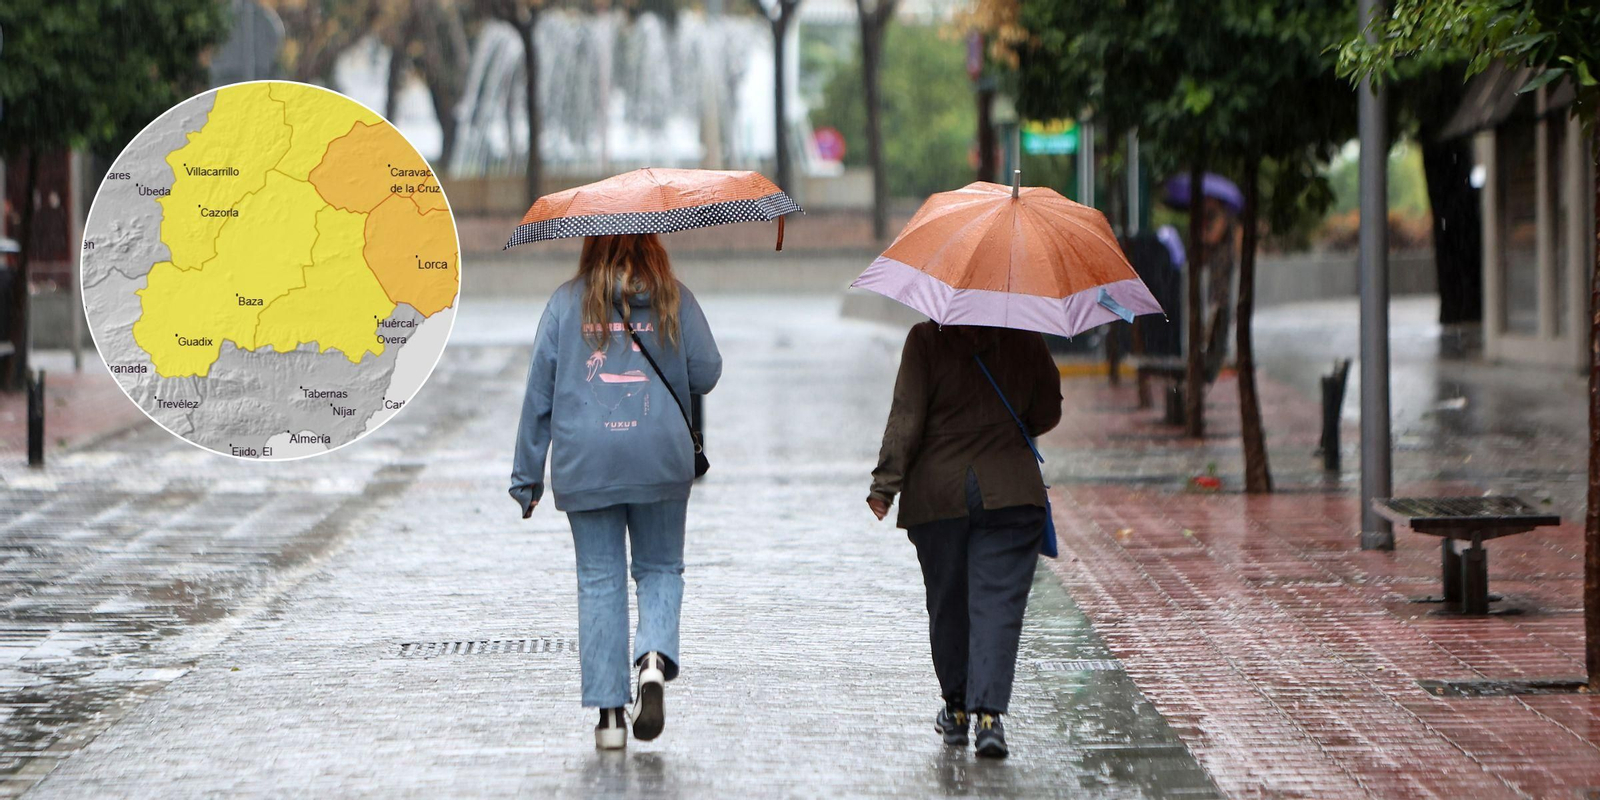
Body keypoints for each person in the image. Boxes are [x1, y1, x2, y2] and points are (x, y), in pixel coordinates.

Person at [510, 233, 721, 750]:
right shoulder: (675, 297)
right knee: (659, 568)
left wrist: (527, 476)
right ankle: (652, 660)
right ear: (653, 248)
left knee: (599, 580)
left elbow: (539, 391)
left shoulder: (566, 303)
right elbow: (707, 371)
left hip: (587, 462)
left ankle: (609, 720)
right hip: (660, 457)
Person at [867, 322, 1062, 759]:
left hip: (940, 494)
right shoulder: (1025, 334)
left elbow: (907, 416)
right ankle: (989, 719)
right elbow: (1047, 411)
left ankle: (956, 709)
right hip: (1011, 491)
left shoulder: (926, 338)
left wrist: (885, 486)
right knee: (998, 606)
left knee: (948, 600)